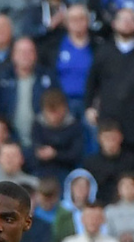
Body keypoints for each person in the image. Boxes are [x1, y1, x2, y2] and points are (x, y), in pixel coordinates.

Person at [0, 38, 59, 149]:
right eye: (21, 52)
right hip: (10, 141)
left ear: (35, 55)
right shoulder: (3, 79)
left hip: (43, 141)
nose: (26, 56)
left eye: (30, 51)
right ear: (13, 56)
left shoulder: (48, 78)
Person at [84, 6, 134, 149]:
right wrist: (89, 107)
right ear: (114, 23)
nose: (127, 23)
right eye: (123, 19)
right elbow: (92, 82)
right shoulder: (103, 51)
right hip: (109, 118)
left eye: (131, 19)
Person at [30, 88, 84, 185]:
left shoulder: (73, 126)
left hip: (65, 169)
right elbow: (35, 147)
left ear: (65, 108)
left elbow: (75, 154)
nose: (54, 117)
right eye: (50, 112)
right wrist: (40, 153)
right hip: (41, 169)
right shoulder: (38, 124)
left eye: (57, 111)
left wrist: (55, 154)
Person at [82, 121, 134, 205]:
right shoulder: (91, 163)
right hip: (100, 204)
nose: (110, 142)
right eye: (107, 138)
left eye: (113, 138)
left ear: (120, 137)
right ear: (99, 139)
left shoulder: (131, 160)